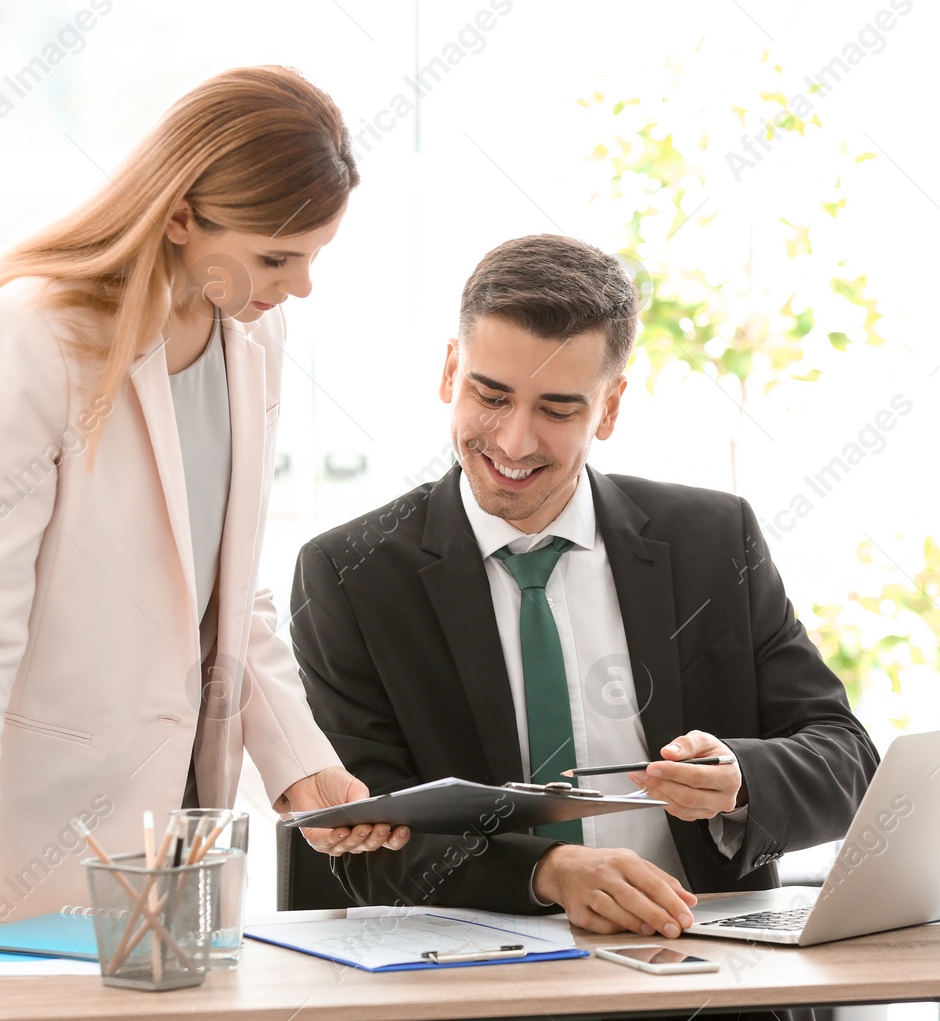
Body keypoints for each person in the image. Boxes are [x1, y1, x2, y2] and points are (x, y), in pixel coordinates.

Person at [0, 66, 407, 971]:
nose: (304, 286)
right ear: (179, 218)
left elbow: (226, 588)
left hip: (184, 831)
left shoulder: (253, 331)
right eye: (280, 257)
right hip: (19, 828)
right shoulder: (31, 332)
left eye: (316, 255)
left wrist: (300, 765)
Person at [290, 233, 878, 938]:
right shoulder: (351, 574)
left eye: (559, 409)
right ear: (452, 370)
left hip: (707, 976)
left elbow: (848, 757)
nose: (513, 441)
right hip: (486, 990)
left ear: (610, 406)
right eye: (491, 394)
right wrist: (547, 872)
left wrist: (741, 779)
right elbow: (366, 838)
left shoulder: (713, 538)